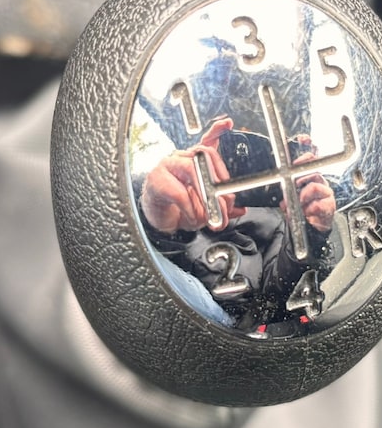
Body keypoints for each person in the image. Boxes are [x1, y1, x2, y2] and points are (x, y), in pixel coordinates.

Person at [138, 117, 337, 330]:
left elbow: (273, 297)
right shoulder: (170, 188)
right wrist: (157, 219)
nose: (245, 165)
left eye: (262, 150)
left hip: (228, 320)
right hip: (169, 296)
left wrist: (308, 231)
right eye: (234, 146)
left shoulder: (278, 221)